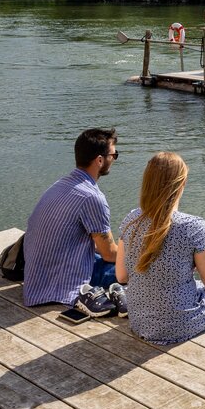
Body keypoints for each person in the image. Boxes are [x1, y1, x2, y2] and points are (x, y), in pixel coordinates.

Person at [116, 152, 205, 346]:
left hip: (139, 323)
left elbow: (122, 277)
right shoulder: (192, 226)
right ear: (181, 184)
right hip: (176, 326)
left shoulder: (130, 220)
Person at [23, 128, 121, 312]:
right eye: (114, 155)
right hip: (61, 282)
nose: (114, 159)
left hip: (36, 276)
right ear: (100, 160)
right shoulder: (92, 198)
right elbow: (110, 254)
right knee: (135, 269)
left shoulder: (61, 184)